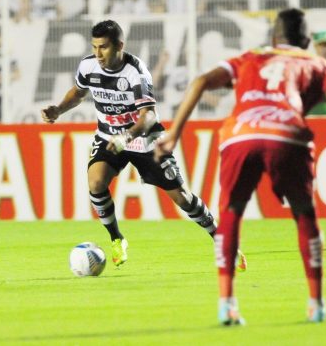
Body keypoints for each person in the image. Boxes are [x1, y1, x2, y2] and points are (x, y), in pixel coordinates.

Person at [155, 8, 326, 325]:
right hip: (286, 135)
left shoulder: (249, 57)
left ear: (274, 36)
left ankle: (227, 304)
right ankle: (316, 303)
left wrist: (175, 133)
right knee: (304, 214)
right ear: (306, 40)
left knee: (232, 213)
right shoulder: (316, 63)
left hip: (240, 136)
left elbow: (201, 81)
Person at [41, 20, 247, 269]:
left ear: (119, 45)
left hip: (144, 139)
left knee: (182, 198)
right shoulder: (88, 65)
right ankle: (117, 239)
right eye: (94, 47)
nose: (98, 54)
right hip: (109, 136)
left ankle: (222, 241)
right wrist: (59, 109)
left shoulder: (136, 71)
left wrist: (125, 137)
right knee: (96, 182)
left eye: (104, 47)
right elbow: (78, 91)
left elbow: (148, 116)